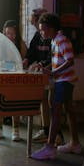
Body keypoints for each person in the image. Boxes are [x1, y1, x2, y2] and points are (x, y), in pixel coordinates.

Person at [31, 13, 82, 160]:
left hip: (64, 81)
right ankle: (75, 143)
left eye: (43, 29)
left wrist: (53, 72)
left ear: (52, 28)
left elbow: (70, 60)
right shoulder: (54, 41)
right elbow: (58, 61)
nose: (41, 32)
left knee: (56, 111)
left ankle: (50, 147)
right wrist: (45, 66)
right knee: (69, 111)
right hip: (63, 80)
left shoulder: (61, 40)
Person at [22, 8, 63, 144]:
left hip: (53, 73)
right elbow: (31, 51)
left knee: (53, 103)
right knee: (43, 99)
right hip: (44, 73)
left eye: (36, 24)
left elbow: (54, 57)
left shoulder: (54, 38)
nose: (37, 28)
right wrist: (27, 59)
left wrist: (43, 65)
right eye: (35, 25)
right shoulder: (37, 36)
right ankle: (46, 131)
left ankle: (57, 134)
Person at [0, 20, 27, 141]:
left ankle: (16, 130)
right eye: (8, 33)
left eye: (13, 34)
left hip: (15, 78)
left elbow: (25, 61)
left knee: (15, 103)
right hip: (1, 77)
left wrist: (20, 64)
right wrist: (6, 65)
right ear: (4, 32)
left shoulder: (21, 44)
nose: (11, 36)